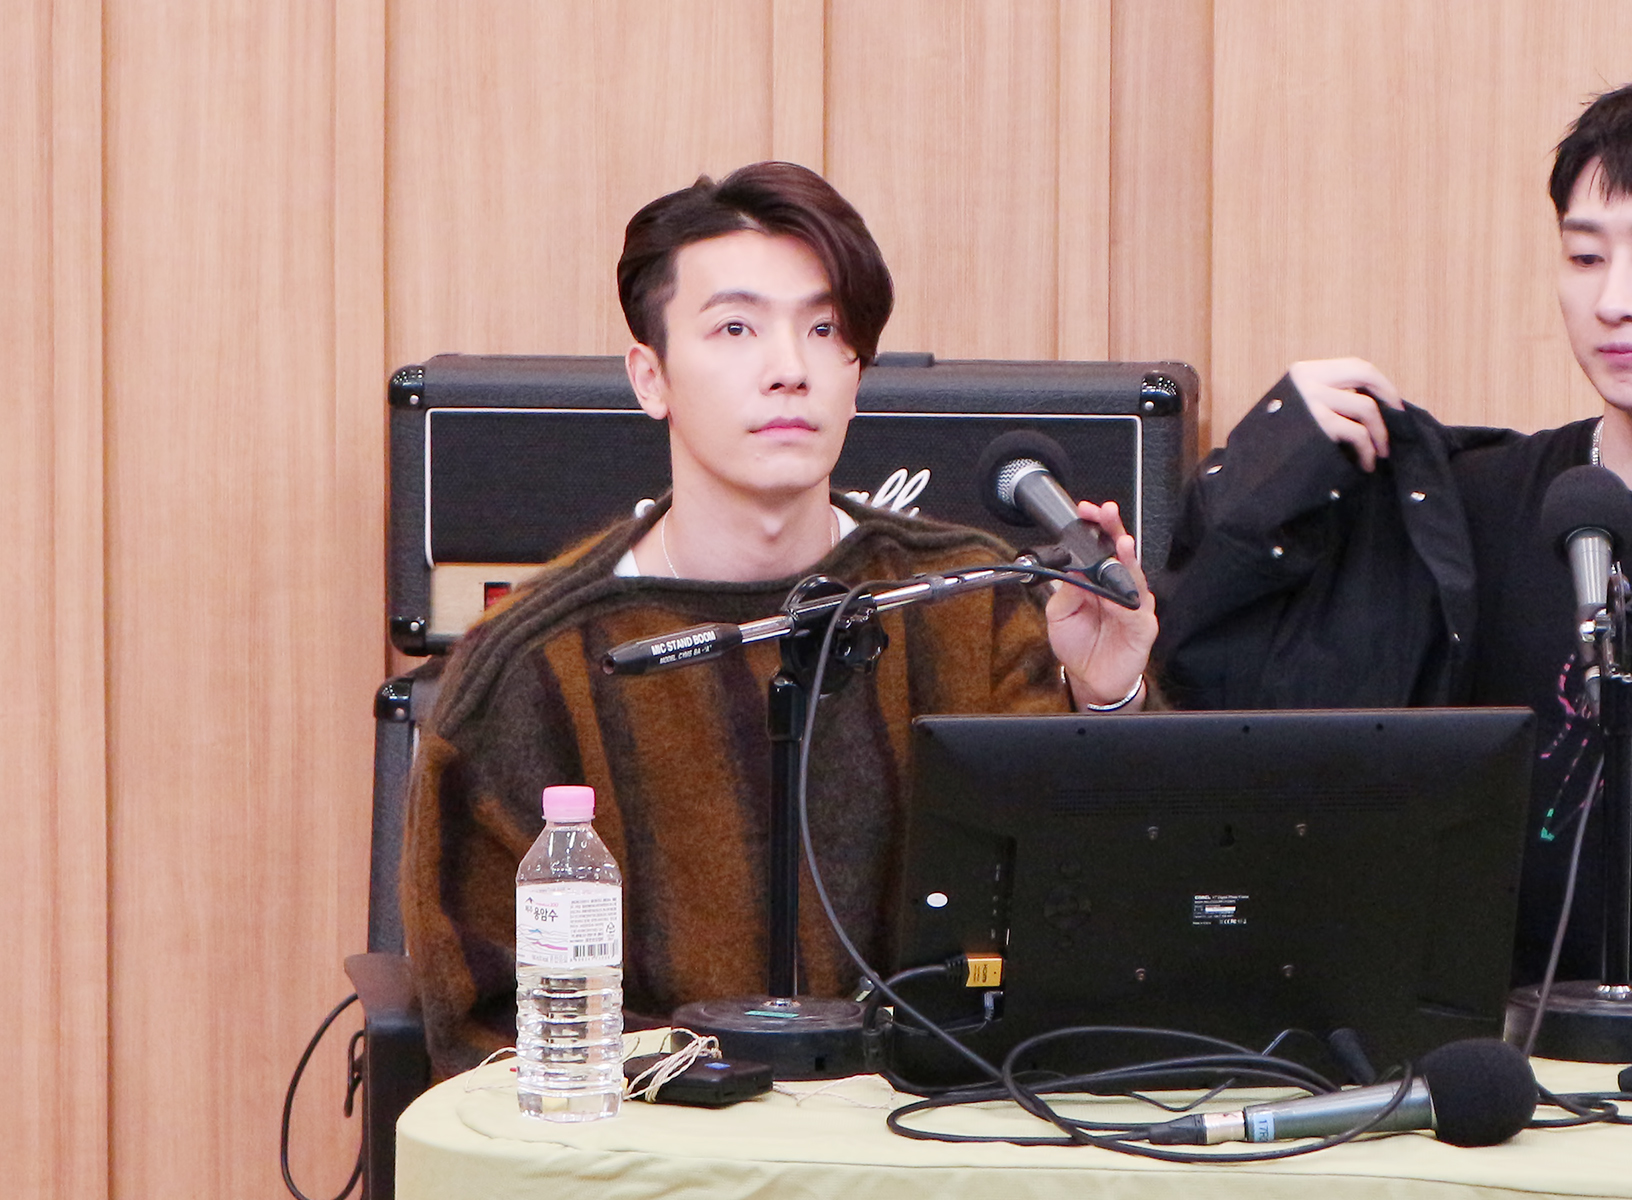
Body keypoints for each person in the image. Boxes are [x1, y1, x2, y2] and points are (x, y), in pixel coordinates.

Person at [400, 162, 1158, 1078]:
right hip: (656, 1139)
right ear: (651, 377)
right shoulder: (532, 667)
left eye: (824, 329)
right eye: (736, 328)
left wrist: (1107, 701)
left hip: (933, 1125)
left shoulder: (972, 601)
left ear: (855, 374)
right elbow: (485, 1027)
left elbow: (1105, 937)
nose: (789, 369)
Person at [1155, 84, 1632, 988]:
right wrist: (1277, 458)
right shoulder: (1480, 506)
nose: (1615, 299)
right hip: (1514, 1044)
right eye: (1584, 256)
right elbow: (1232, 696)